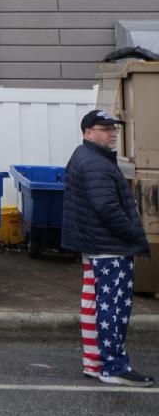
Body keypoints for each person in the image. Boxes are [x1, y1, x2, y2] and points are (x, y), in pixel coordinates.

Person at [62, 110, 153, 387]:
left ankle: (95, 362)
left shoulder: (87, 157)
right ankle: (114, 366)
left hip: (96, 246)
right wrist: (133, 233)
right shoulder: (95, 163)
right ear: (88, 132)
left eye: (114, 128)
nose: (112, 133)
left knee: (93, 304)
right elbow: (106, 208)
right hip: (110, 248)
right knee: (112, 308)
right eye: (105, 128)